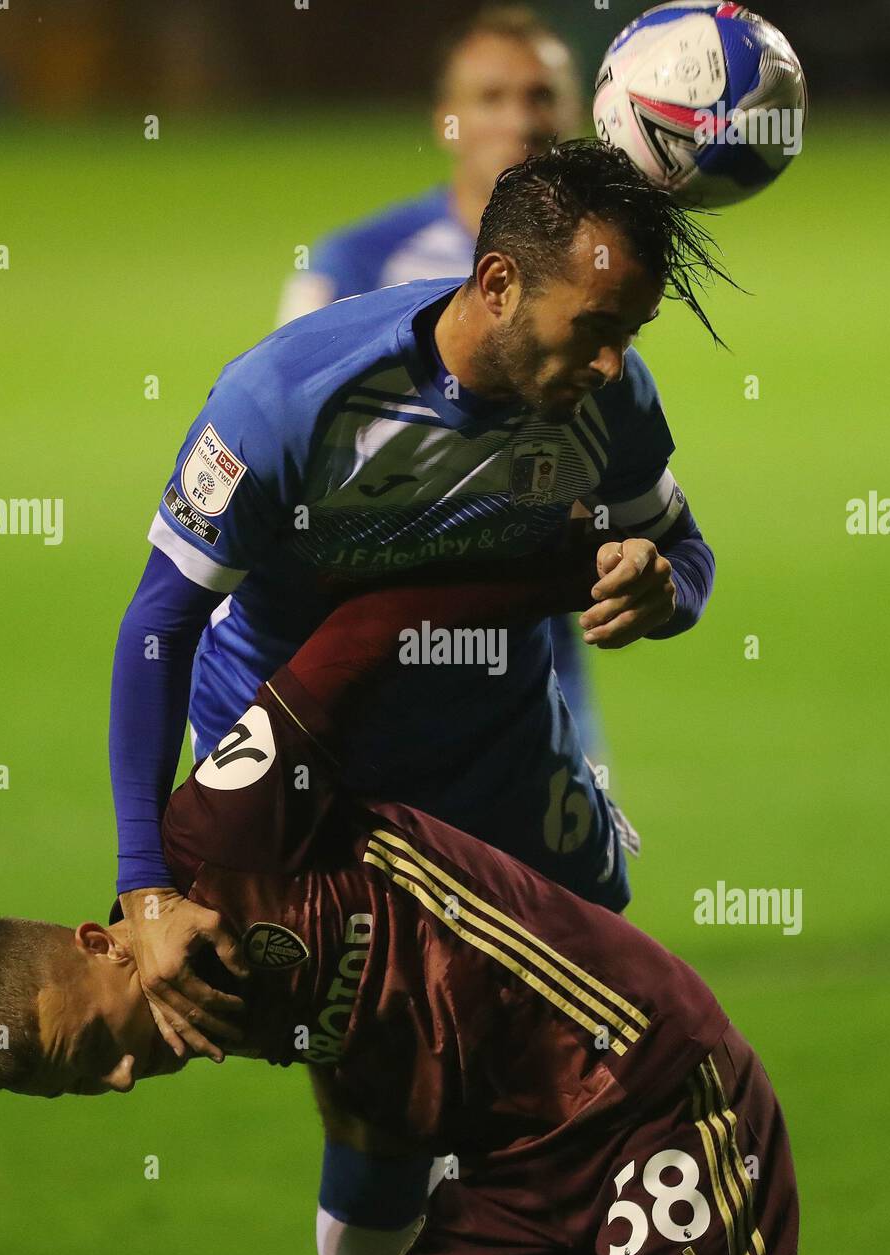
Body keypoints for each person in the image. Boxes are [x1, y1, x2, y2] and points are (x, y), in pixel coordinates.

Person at [0, 560, 797, 1255]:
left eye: (95, 1046)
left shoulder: (216, 836)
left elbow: (371, 629)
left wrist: (577, 569)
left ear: (99, 942)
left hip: (642, 1090)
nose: (122, 1079)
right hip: (516, 1173)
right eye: (84, 1085)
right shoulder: (208, 1011)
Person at [109, 139, 723, 1073]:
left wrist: (659, 585)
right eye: (595, 327)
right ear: (499, 281)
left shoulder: (609, 401)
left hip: (491, 732)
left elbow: (686, 553)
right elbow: (161, 625)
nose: (611, 363)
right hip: (305, 751)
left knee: (579, 1029)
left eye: (629, 334)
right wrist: (145, 886)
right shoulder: (285, 400)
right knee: (388, 1066)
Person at [275, 5, 608, 766]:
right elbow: (288, 459)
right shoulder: (355, 266)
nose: (520, 121)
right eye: (490, 98)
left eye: (539, 96)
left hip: (535, 652)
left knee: (576, 884)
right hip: (375, 648)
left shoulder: (595, 270)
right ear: (446, 121)